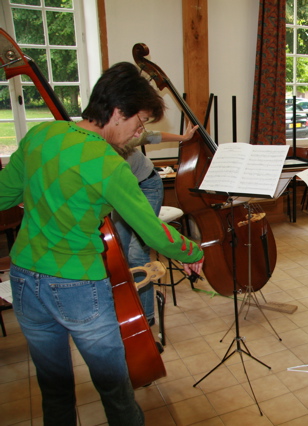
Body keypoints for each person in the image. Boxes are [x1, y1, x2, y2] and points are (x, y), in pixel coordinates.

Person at [0, 62, 204, 426]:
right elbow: (153, 232)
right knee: (116, 390)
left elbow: (3, 196)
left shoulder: (39, 135)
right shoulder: (108, 164)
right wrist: (193, 252)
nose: (138, 133)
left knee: (55, 387)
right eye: (139, 123)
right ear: (116, 111)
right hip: (76, 284)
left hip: (24, 280)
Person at [112, 126, 198, 326]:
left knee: (136, 253)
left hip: (146, 186)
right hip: (121, 191)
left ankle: (146, 317)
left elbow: (153, 136)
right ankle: (126, 309)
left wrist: (183, 137)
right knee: (119, 250)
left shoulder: (122, 134)